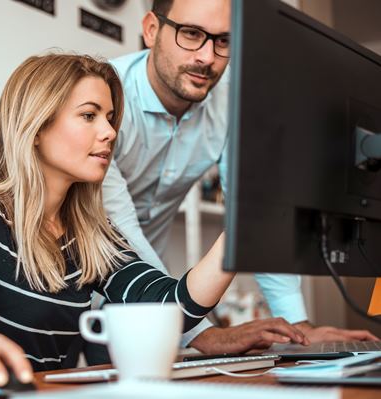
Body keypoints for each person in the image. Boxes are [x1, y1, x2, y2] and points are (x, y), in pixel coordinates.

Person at [0, 53, 251, 397]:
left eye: (109, 118)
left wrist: (242, 230)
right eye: (89, 116)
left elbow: (168, 309)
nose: (109, 132)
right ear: (35, 127)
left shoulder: (89, 234)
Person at [99, 0, 378, 358]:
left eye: (223, 41)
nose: (207, 57)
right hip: (85, 274)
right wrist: (201, 331)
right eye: (191, 34)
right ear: (152, 29)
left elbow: (254, 211)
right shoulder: (105, 98)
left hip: (155, 289)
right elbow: (118, 229)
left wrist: (298, 327)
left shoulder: (231, 99)